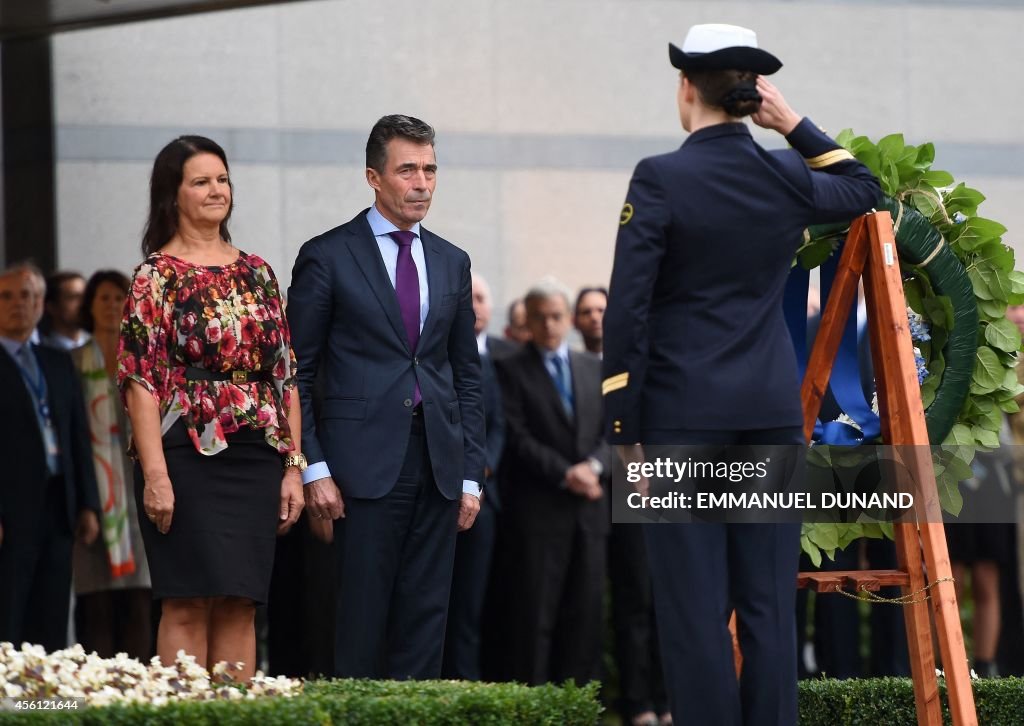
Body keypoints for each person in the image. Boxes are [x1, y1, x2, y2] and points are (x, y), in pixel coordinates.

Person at [601, 24, 880, 725]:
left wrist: (620, 428)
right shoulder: (786, 174)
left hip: (681, 420)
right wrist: (792, 123)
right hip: (768, 415)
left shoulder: (659, 177)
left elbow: (627, 312)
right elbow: (862, 186)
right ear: (750, 96)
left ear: (685, 88)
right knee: (766, 606)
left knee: (694, 609)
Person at [287, 114, 486, 680]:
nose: (421, 182)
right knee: (360, 625)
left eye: (430, 169)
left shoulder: (453, 259)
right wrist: (311, 466)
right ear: (374, 177)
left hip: (440, 465)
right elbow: (296, 373)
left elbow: (465, 375)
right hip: (358, 470)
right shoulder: (327, 255)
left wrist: (471, 473)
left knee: (425, 625)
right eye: (407, 170)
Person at [118, 135, 304, 680]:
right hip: (185, 451)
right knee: (188, 599)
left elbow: (286, 375)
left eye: (221, 179)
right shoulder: (156, 275)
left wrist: (293, 466)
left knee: (240, 599)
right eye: (200, 181)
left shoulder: (259, 272)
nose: (215, 190)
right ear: (172, 195)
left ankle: (234, 714)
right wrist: (155, 475)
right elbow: (140, 382)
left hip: (256, 454)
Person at [497, 279, 610, 686]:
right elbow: (516, 436)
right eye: (540, 317)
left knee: (585, 614)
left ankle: (580, 704)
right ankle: (536, 704)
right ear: (528, 320)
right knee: (535, 616)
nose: (549, 325)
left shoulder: (593, 368)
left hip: (589, 512)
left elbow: (613, 432)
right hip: (539, 512)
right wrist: (567, 473)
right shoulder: (509, 368)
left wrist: (593, 469)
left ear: (568, 320)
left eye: (557, 316)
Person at [0, 262, 100, 653]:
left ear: (41, 303)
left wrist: (89, 504)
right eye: (7, 296)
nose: (18, 304)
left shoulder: (58, 363)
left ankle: (48, 704)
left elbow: (80, 437)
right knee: (9, 608)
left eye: (27, 295)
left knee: (52, 611)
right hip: (10, 509)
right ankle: (9, 705)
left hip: (59, 503)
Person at [72, 270, 153, 660]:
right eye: (102, 298)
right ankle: (95, 698)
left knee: (140, 601)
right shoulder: (71, 364)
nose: (110, 305)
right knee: (96, 605)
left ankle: (138, 695)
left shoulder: (143, 363)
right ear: (89, 306)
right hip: (93, 498)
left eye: (118, 297)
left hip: (138, 492)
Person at [442, 272, 506, 680]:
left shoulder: (486, 362)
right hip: (437, 490)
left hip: (480, 498)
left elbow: (496, 423)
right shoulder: (434, 355)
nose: (475, 307)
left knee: (470, 606)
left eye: (483, 298)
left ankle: (467, 685)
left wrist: (482, 466)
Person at [42, 271, 89, 350]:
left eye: (86, 297)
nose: (83, 304)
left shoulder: (98, 350)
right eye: (73, 298)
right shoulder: (41, 352)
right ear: (52, 307)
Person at [573, 286, 607, 356]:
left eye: (601, 311)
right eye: (586, 312)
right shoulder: (569, 365)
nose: (594, 318)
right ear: (574, 321)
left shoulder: (630, 364)